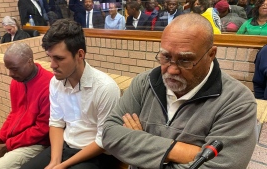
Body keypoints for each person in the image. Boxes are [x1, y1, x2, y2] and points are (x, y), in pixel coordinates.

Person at [102, 13, 257, 169]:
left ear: (211, 54)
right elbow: (109, 134)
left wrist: (137, 141)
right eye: (166, 56)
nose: (172, 69)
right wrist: (180, 151)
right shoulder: (144, 83)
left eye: (185, 60)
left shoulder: (237, 101)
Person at [20, 19, 120, 169]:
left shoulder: (105, 88)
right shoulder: (56, 82)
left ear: (80, 55)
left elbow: (103, 142)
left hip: (97, 154)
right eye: (50, 57)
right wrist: (55, 161)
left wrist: (62, 166)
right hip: (66, 146)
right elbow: (56, 123)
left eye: (59, 58)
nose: (52, 65)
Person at [0, 42, 53, 169]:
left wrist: (7, 146)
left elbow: (42, 130)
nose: (10, 74)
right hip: (15, 139)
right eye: (8, 68)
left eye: (14, 68)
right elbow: (14, 114)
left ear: (29, 62)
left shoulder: (49, 86)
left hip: (38, 143)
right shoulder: (17, 81)